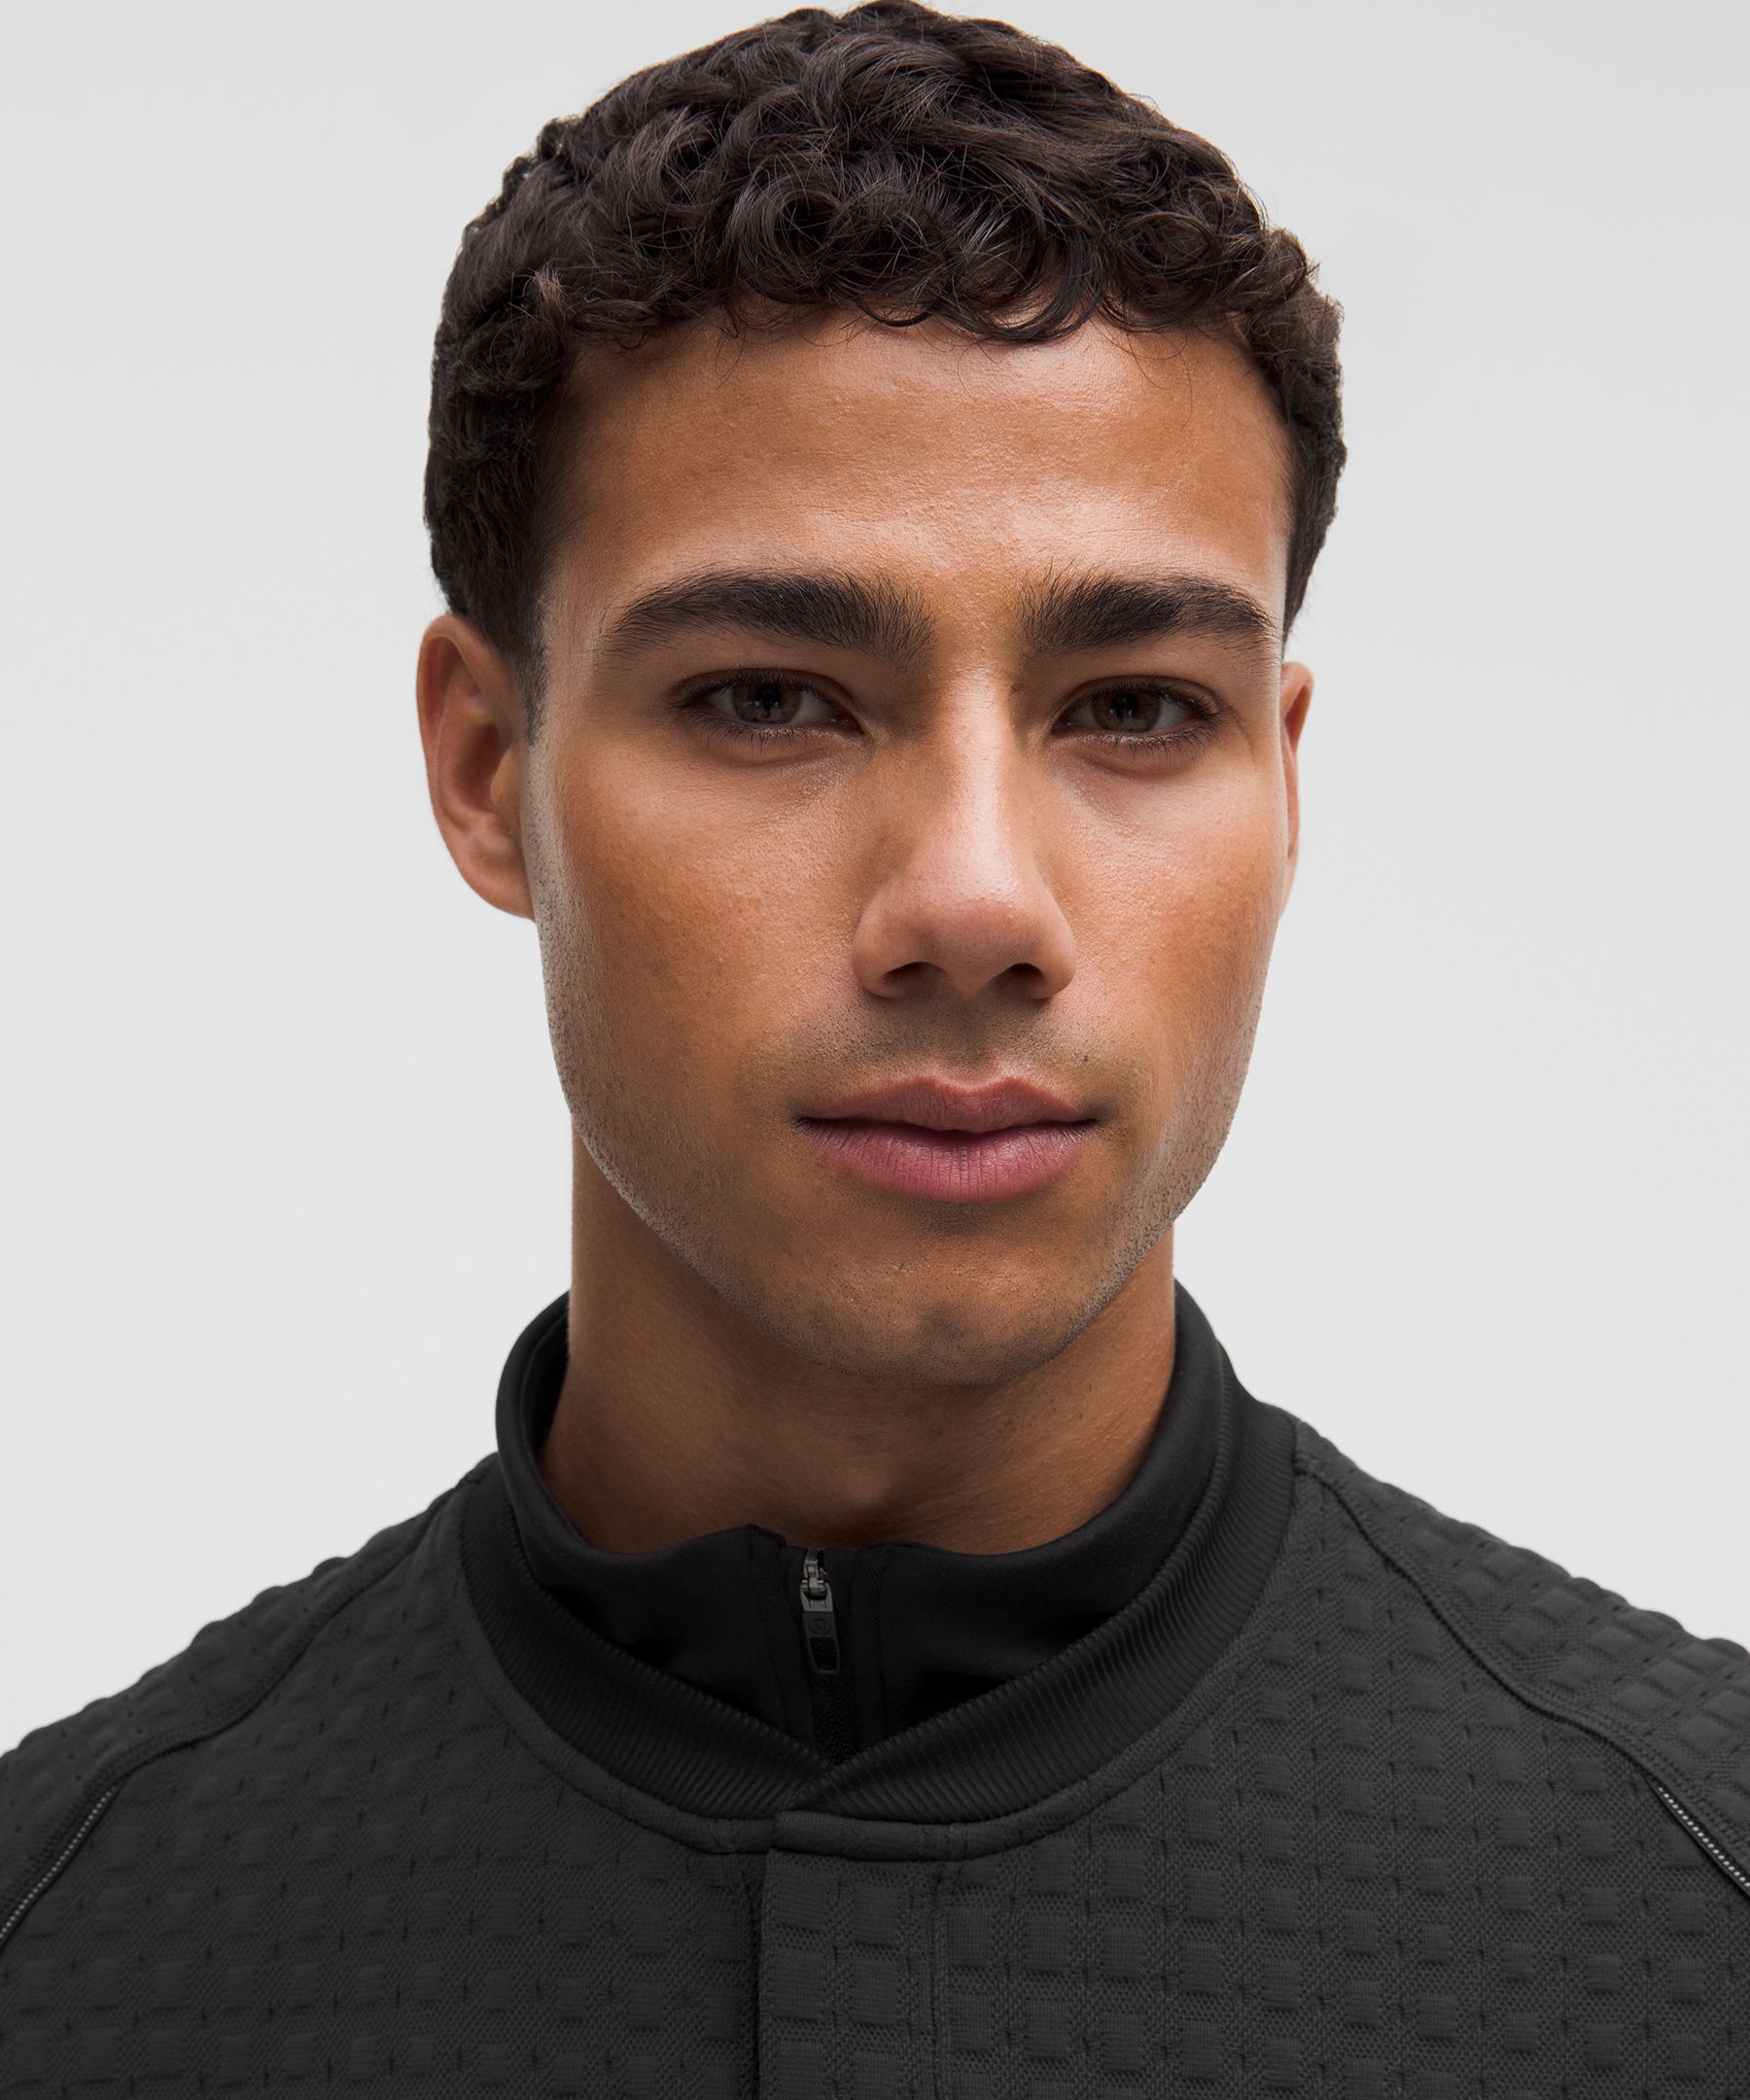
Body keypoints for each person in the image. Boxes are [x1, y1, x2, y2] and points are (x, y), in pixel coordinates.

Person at [4, 2, 1746, 2088]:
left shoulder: (1701, 1906)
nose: (977, 905)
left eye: (1134, 709)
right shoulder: (61, 1942)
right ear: (488, 771)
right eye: (769, 699)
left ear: (1284, 786)